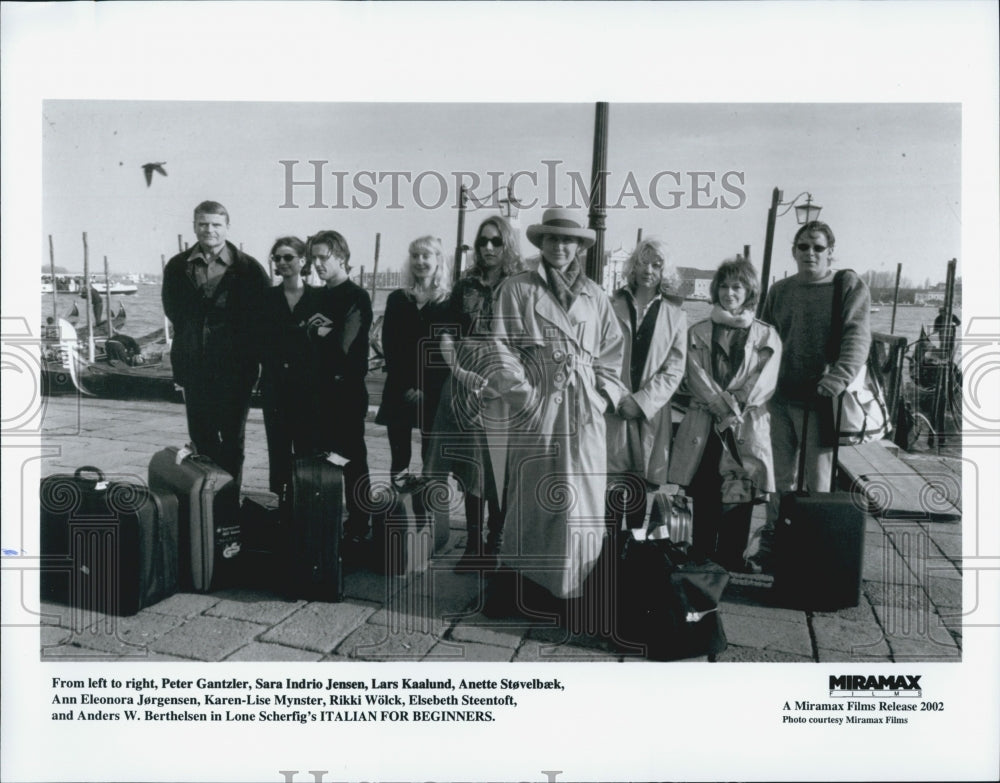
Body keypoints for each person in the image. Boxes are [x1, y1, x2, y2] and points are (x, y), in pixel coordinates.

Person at [485, 207, 627, 609]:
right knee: (534, 494)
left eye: (568, 240)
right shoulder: (517, 288)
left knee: (582, 496)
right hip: (539, 401)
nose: (560, 247)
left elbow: (613, 354)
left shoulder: (596, 295)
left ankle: (575, 589)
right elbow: (500, 348)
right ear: (541, 243)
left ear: (580, 246)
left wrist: (602, 396)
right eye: (552, 239)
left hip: (583, 408)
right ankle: (527, 587)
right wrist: (525, 394)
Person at [749, 221, 871, 572]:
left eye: (818, 247)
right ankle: (775, 543)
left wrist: (839, 377)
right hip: (779, 398)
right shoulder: (780, 290)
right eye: (803, 247)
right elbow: (763, 340)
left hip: (821, 401)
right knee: (777, 478)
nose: (810, 253)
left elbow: (857, 337)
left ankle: (814, 551)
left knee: (818, 480)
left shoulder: (847, 287)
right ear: (794, 251)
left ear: (830, 251)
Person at [668, 257, 781, 571]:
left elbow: (764, 378)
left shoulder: (765, 334)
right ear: (715, 290)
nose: (730, 293)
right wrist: (721, 406)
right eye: (725, 286)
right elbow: (694, 374)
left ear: (749, 292)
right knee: (704, 486)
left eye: (737, 287)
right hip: (706, 422)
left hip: (744, 424)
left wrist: (734, 405)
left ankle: (731, 556)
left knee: (740, 489)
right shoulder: (698, 331)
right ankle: (701, 551)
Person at [425, 217, 523, 571]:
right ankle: (474, 544)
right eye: (483, 241)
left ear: (507, 243)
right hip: (466, 381)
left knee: (499, 464)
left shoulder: (522, 284)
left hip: (505, 382)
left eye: (496, 241)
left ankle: (495, 540)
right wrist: (459, 372)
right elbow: (447, 334)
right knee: (471, 463)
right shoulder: (465, 284)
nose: (488, 248)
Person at [162, 200, 269, 494]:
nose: (209, 230)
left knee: (233, 440)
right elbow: (174, 311)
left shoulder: (248, 268)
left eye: (216, 225)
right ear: (195, 226)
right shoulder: (177, 266)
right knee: (202, 438)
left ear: (227, 227)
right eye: (203, 224)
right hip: (194, 366)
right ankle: (207, 502)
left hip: (236, 370)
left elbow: (262, 317)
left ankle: (229, 501)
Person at [605, 237, 687, 546]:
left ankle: (634, 551)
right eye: (642, 262)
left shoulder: (675, 315)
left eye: (656, 264)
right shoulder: (611, 306)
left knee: (640, 486)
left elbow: (675, 368)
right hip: (613, 411)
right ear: (632, 266)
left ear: (665, 271)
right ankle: (609, 550)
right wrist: (617, 397)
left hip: (648, 414)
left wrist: (641, 402)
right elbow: (600, 357)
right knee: (611, 484)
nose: (648, 270)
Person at [307, 230, 374, 544]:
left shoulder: (356, 296)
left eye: (324, 257)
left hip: (346, 391)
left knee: (352, 459)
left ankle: (360, 522)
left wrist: (319, 334)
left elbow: (343, 345)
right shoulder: (317, 296)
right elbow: (301, 336)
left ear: (342, 258)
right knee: (322, 458)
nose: (317, 264)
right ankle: (328, 519)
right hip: (318, 392)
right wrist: (319, 333)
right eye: (314, 258)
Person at [374, 236, 451, 484]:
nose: (419, 261)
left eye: (426, 255)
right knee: (399, 461)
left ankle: (426, 514)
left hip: (434, 393)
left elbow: (447, 351)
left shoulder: (449, 301)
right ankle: (400, 515)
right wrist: (409, 385)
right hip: (400, 389)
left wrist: (425, 387)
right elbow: (391, 346)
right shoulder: (397, 299)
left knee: (432, 462)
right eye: (415, 255)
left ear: (438, 259)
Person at [260, 236, 325, 496]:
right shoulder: (266, 298)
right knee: (278, 448)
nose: (283, 262)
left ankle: (307, 506)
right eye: (278, 258)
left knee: (308, 447)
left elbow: (326, 341)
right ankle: (282, 504)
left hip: (308, 387)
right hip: (275, 386)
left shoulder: (319, 298)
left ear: (302, 260)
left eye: (288, 257)